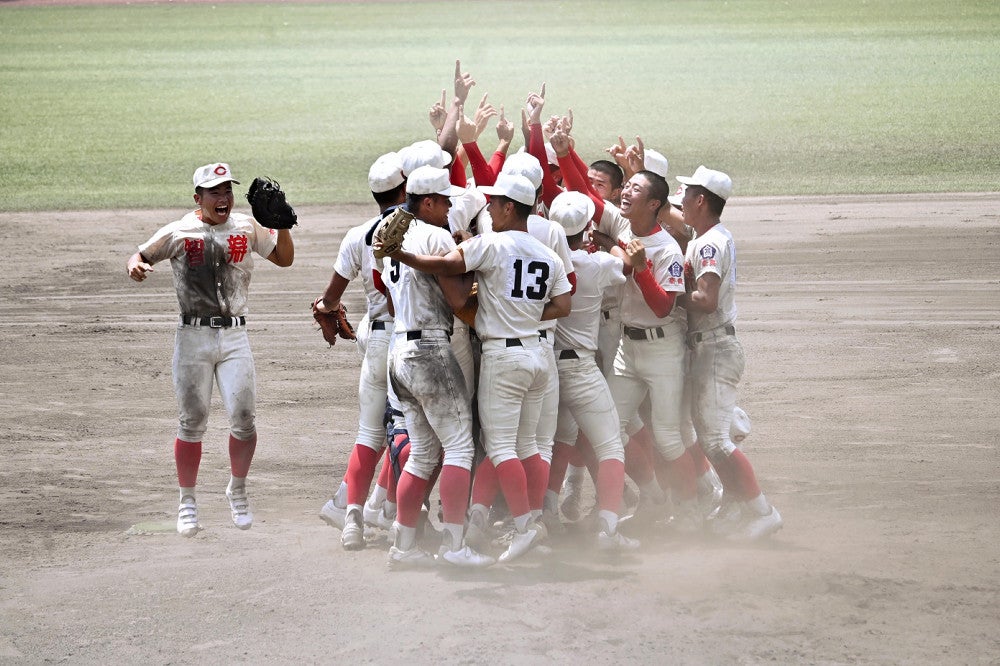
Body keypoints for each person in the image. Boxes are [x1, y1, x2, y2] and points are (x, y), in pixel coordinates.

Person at [381, 173, 571, 563]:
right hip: (531, 354)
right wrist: (527, 317)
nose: (484, 209)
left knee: (440, 452)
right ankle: (497, 532)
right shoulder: (547, 254)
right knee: (509, 446)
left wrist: (401, 255)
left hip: (410, 350)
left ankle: (410, 545)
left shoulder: (481, 243)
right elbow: (564, 306)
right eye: (448, 202)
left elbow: (444, 275)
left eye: (493, 203)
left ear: (507, 207)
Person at [126, 162, 294, 537]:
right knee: (192, 421)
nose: (224, 198)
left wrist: (283, 225)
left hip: (235, 337)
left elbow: (284, 259)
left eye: (227, 191)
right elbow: (139, 256)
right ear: (197, 198)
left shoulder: (246, 227)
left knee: (245, 418)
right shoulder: (179, 230)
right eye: (215, 192)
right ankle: (187, 500)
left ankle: (238, 489)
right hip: (193, 337)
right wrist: (135, 267)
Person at [374, 165, 495, 569]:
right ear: (427, 202)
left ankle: (403, 548)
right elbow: (459, 300)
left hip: (399, 351)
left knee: (423, 454)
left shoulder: (389, 229)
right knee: (459, 447)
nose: (449, 209)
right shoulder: (436, 234)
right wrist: (474, 268)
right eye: (444, 202)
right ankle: (455, 545)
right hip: (429, 349)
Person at [675, 166, 782, 539]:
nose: (682, 199)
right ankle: (736, 501)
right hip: (712, 347)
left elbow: (706, 300)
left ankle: (762, 510)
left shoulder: (707, 244)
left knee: (716, 440)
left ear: (701, 200)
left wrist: (665, 294)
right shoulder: (709, 235)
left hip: (716, 350)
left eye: (686, 193)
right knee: (708, 437)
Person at [315, 152, 406, 550]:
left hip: (377, 340)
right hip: (409, 340)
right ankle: (394, 511)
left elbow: (330, 298)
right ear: (405, 188)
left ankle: (351, 517)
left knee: (368, 433)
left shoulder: (357, 235)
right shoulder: (421, 230)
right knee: (413, 433)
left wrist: (325, 312)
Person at [545, 190, 638, 550]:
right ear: (585, 228)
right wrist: (606, 243)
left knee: (561, 440)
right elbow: (629, 265)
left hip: (548, 366)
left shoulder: (545, 259)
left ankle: (548, 514)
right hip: (581, 369)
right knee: (611, 446)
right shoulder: (594, 264)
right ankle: (608, 531)